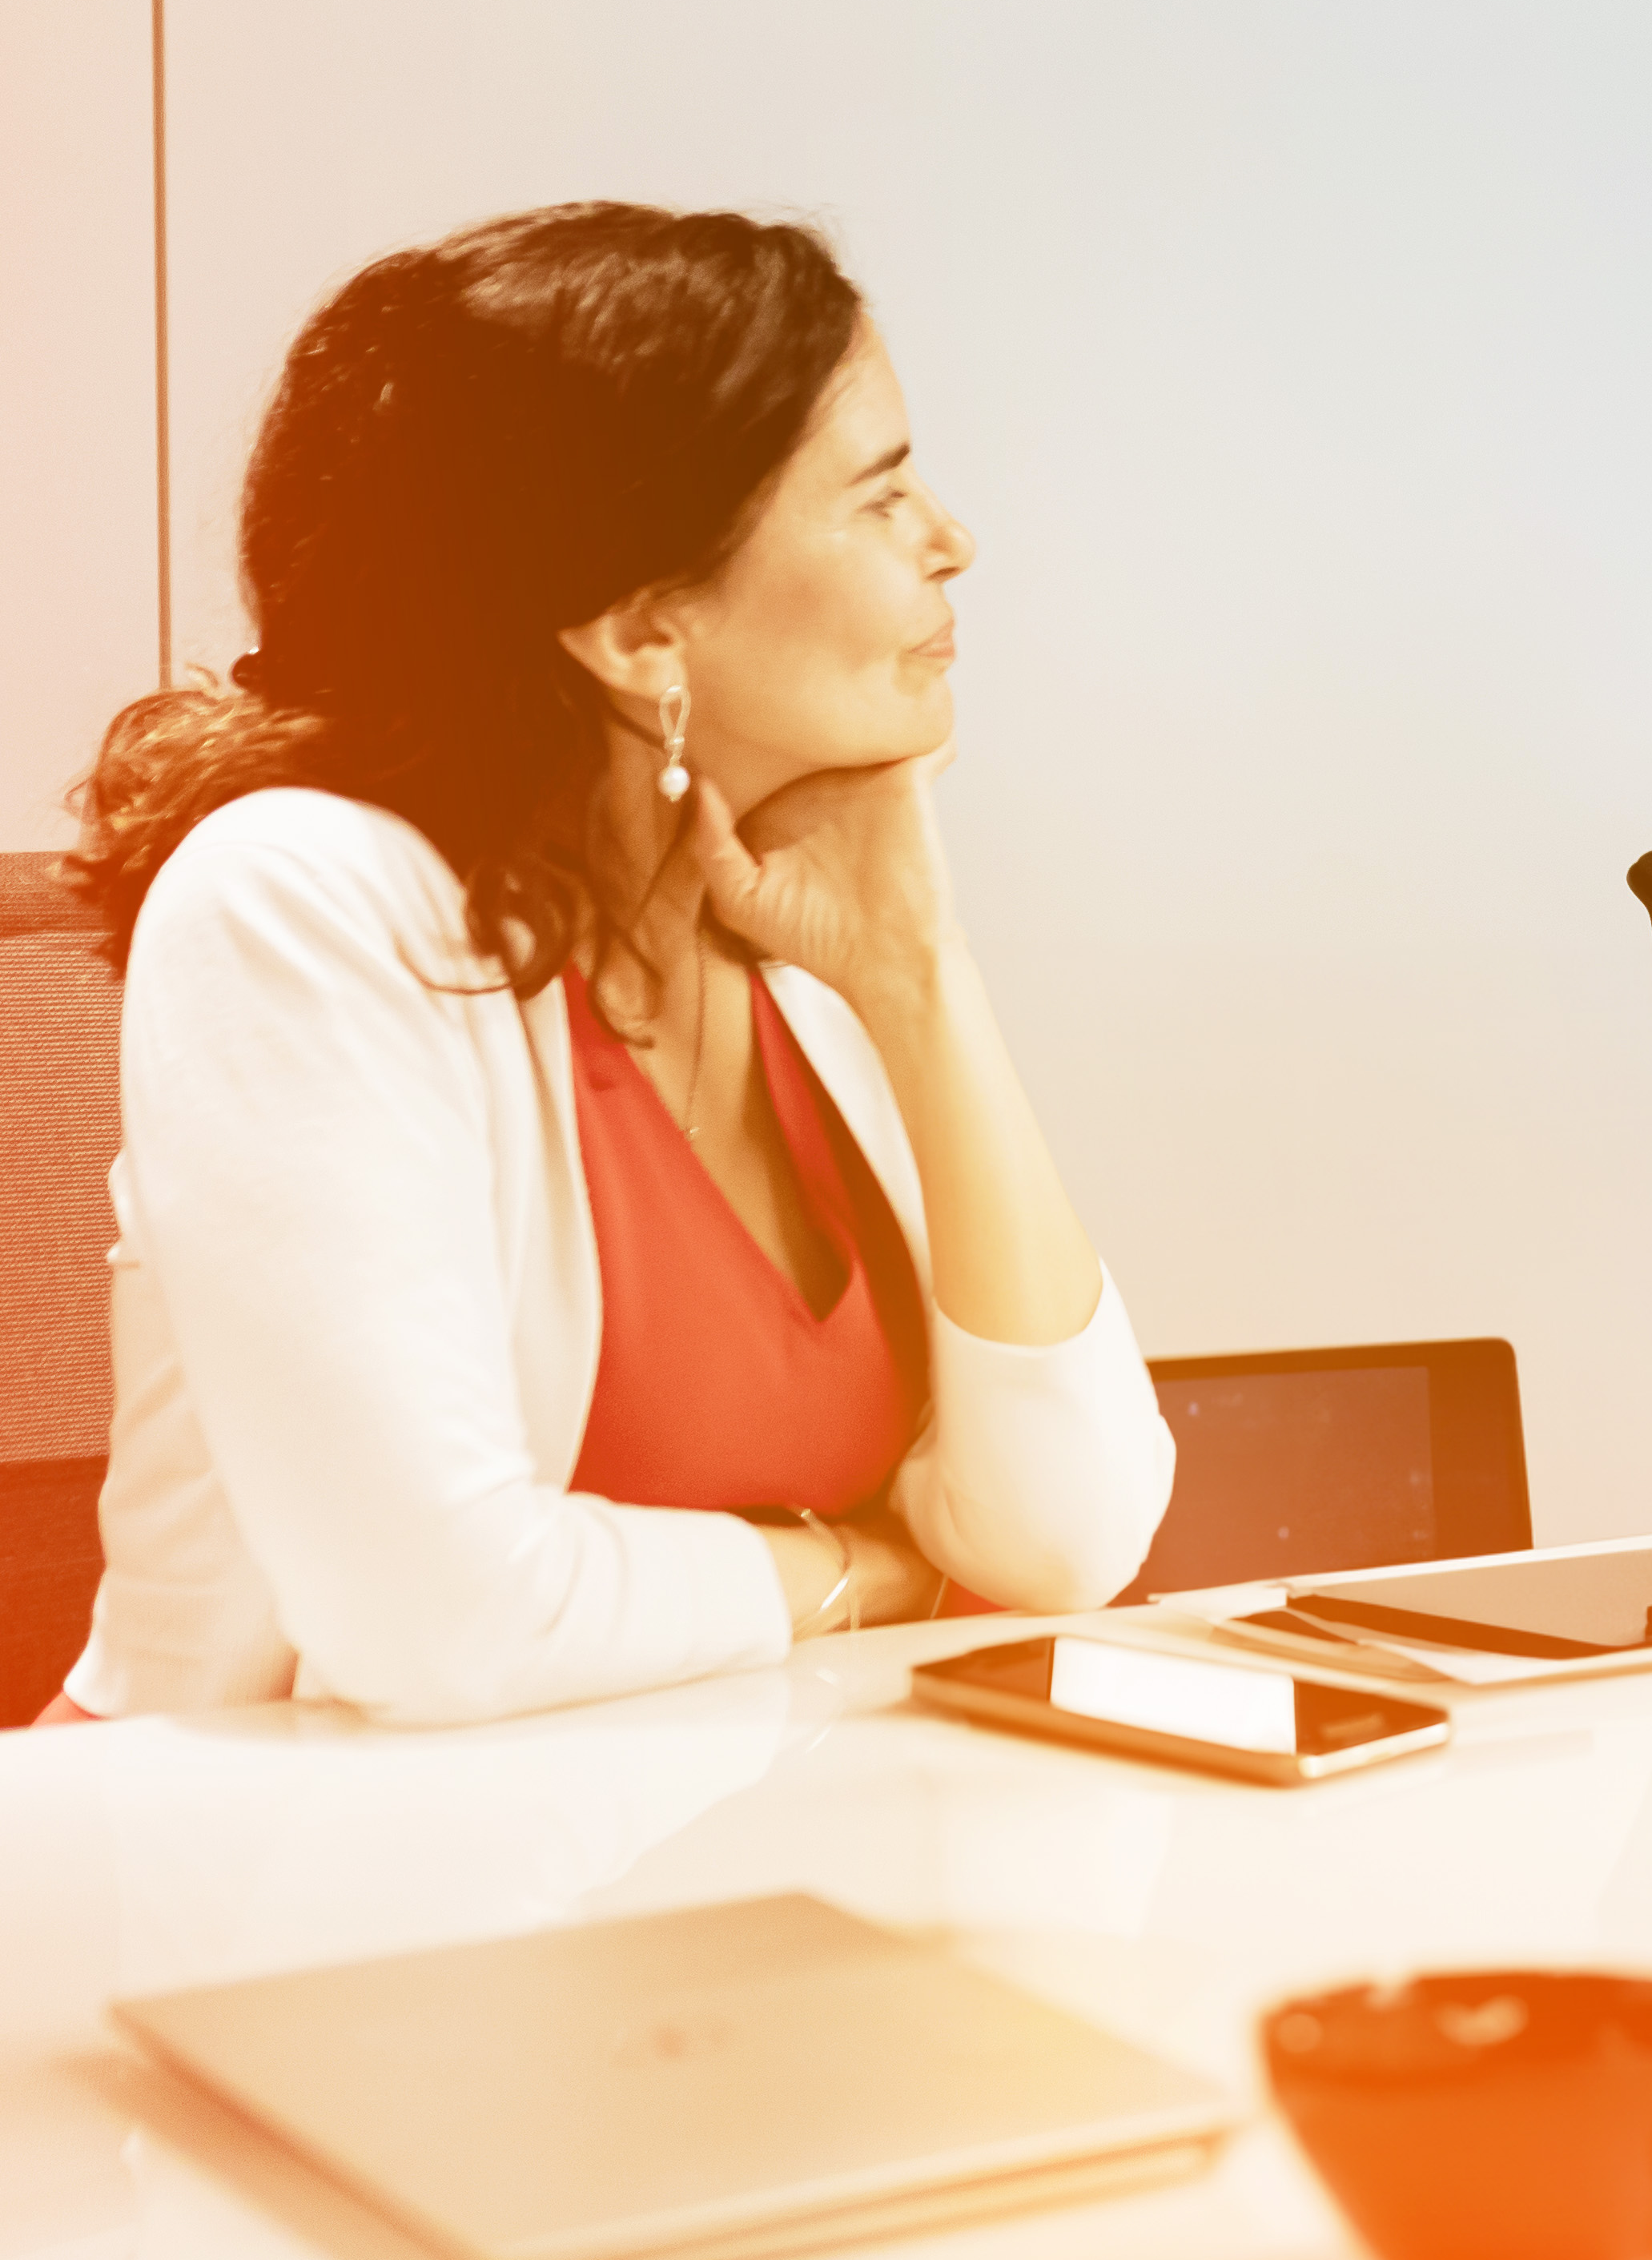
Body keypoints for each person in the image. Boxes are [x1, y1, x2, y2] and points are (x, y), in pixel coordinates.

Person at [55, 203, 1174, 1725]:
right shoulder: (298, 908)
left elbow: (1068, 1535)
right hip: (276, 1893)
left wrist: (921, 975)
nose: (950, 541)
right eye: (879, 493)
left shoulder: (784, 929)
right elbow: (442, 1622)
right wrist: (863, 1571)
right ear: (645, 630)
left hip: (729, 1863)